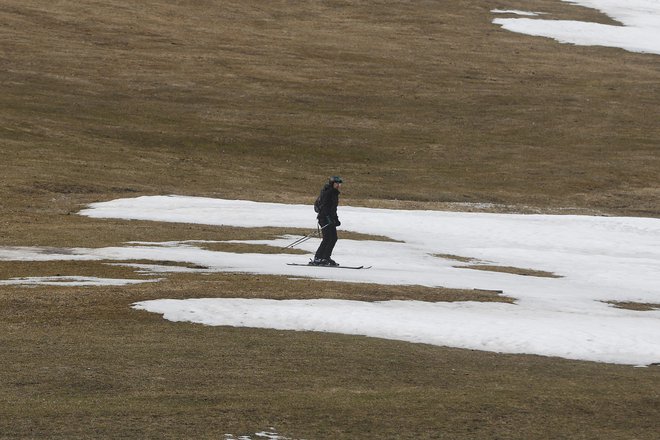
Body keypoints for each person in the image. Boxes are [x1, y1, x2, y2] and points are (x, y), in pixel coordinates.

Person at [312, 176, 343, 266]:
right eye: (336, 183)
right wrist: (329, 218)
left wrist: (336, 219)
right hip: (324, 219)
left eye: (339, 184)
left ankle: (325, 257)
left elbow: (333, 209)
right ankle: (318, 258)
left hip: (329, 219)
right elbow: (325, 208)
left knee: (333, 238)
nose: (338, 185)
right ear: (332, 183)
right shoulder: (328, 193)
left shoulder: (334, 193)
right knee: (328, 238)